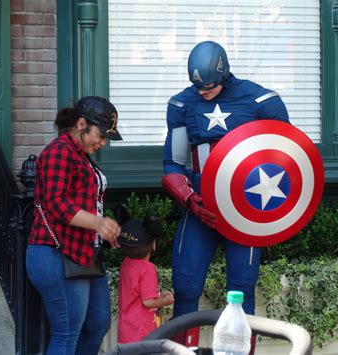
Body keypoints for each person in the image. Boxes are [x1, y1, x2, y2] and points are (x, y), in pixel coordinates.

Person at [161, 41, 290, 351]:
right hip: (200, 210)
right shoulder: (182, 105)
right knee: (186, 287)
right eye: (199, 87)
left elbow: (286, 157)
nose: (203, 92)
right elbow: (174, 164)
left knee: (242, 290)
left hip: (244, 212)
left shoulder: (261, 101)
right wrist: (190, 200)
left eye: (209, 86)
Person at [26, 96, 123, 355]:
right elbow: (56, 202)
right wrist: (99, 223)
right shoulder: (60, 151)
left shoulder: (80, 154)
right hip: (56, 252)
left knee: (97, 324)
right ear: (81, 124)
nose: (102, 143)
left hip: (84, 253)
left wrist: (104, 231)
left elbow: (86, 202)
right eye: (100, 135)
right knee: (67, 332)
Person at [116, 216, 175, 344]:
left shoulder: (126, 264)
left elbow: (136, 293)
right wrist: (166, 300)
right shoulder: (147, 268)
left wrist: (158, 295)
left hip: (126, 331)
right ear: (153, 244)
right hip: (142, 332)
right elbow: (148, 302)